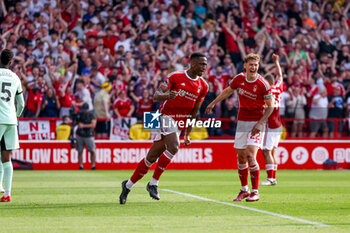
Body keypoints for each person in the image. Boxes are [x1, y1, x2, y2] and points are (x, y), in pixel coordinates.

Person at [119, 53, 209, 204]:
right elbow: (156, 95)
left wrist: (187, 134)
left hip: (180, 123)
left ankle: (127, 185)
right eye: (201, 64)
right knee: (174, 147)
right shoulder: (175, 76)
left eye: (205, 65)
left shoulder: (203, 86)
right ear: (193, 64)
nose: (204, 68)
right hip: (166, 116)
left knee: (151, 158)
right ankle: (153, 183)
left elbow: (195, 111)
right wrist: (167, 96)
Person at [205, 53, 274, 202]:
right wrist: (213, 103)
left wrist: (261, 123)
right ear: (245, 65)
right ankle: (244, 190)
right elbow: (227, 91)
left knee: (251, 155)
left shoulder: (263, 84)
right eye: (251, 64)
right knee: (241, 158)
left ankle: (256, 192)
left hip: (256, 123)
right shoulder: (239, 79)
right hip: (242, 122)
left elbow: (270, 107)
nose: (253, 67)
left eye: (256, 65)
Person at [0, 49, 25, 202]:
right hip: (10, 119)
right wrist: (16, 115)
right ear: (10, 62)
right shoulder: (15, 77)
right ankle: (7, 193)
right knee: (6, 157)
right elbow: (21, 103)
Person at [261, 54, 283, 186]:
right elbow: (280, 76)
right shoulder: (278, 88)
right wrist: (276, 62)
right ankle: (273, 178)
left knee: (266, 151)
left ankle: (271, 179)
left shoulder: (267, 92)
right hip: (279, 124)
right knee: (273, 151)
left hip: (271, 125)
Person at [75, 103, 97, 170]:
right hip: (80, 135)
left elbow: (93, 125)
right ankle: (81, 166)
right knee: (80, 151)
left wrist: (83, 125)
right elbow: (76, 122)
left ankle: (93, 165)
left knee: (92, 151)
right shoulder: (80, 114)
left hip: (89, 135)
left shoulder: (91, 114)